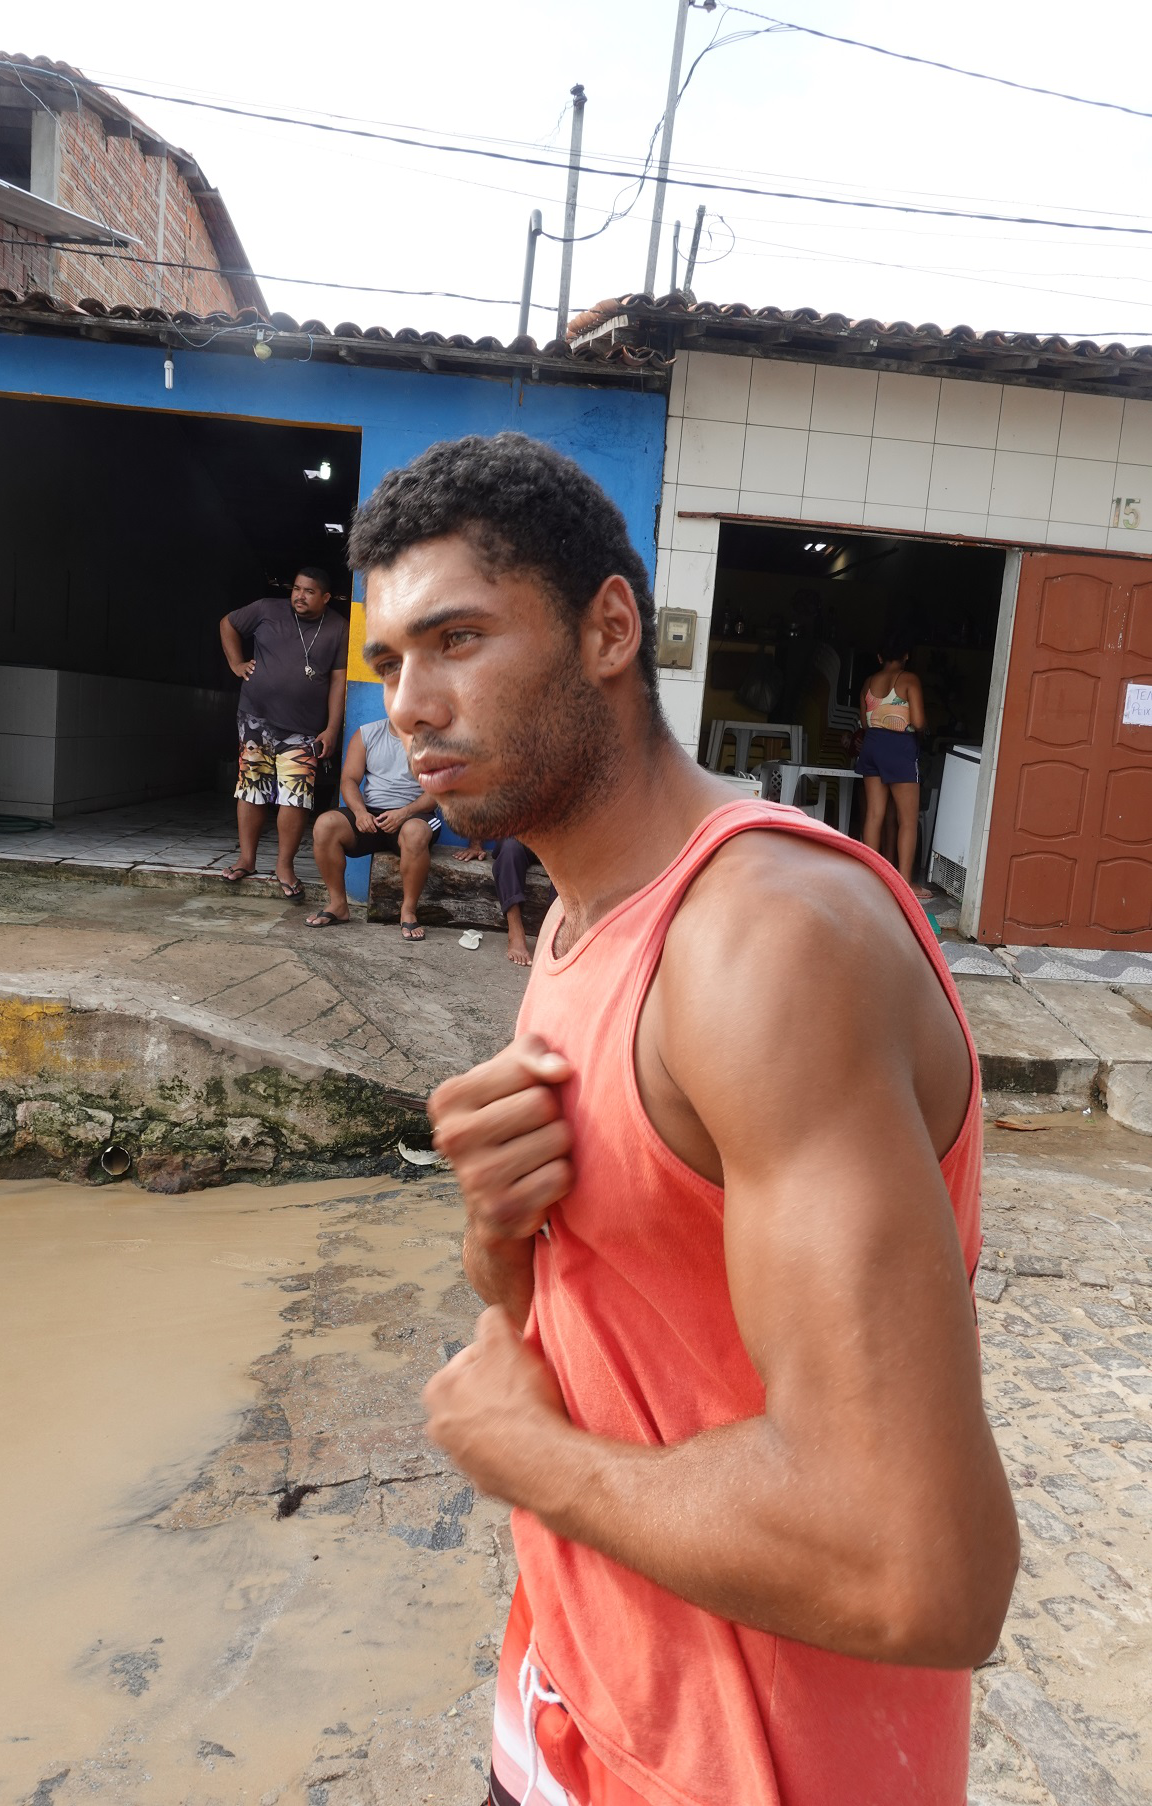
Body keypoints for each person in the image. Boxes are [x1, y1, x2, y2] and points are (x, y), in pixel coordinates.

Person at [350, 433, 1018, 1806]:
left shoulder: (767, 944)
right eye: (388, 663)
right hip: (567, 1715)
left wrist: (527, 1456)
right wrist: (496, 1226)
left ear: (609, 626)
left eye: (456, 637)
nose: (412, 704)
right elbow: (589, 1308)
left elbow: (920, 1567)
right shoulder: (574, 920)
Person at [219, 568, 348, 901]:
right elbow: (228, 624)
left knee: (296, 795)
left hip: (304, 728)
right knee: (251, 787)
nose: (299, 596)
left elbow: (338, 681)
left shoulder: (337, 628)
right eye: (296, 588)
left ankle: (284, 866)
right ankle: (247, 859)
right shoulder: (265, 609)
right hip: (255, 719)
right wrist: (236, 663)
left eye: (308, 591)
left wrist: (332, 727)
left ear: (325, 598)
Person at [305, 717, 441, 939]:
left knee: (414, 833)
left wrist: (404, 813)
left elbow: (437, 792)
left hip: (415, 814)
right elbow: (349, 779)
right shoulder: (367, 734)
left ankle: (408, 911)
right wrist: (360, 812)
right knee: (325, 825)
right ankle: (338, 905)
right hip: (370, 814)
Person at [856, 629, 931, 900]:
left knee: (873, 815)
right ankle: (906, 884)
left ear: (879, 657)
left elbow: (864, 722)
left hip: (872, 745)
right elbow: (919, 722)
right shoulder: (909, 679)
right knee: (908, 820)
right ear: (907, 656)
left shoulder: (868, 682)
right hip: (899, 748)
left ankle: (870, 878)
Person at [452, 838, 549, 966]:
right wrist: (475, 844)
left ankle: (552, 936)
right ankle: (515, 931)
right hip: (523, 835)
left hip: (560, 840)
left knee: (572, 859)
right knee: (510, 847)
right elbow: (483, 816)